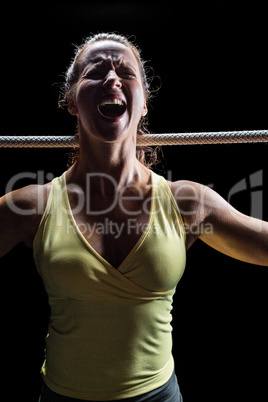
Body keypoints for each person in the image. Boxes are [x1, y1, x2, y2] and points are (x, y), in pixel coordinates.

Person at [0, 32, 267, 402]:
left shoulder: (187, 202)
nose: (112, 78)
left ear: (143, 103)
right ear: (71, 101)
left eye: (125, 72)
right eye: (95, 72)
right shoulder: (33, 206)